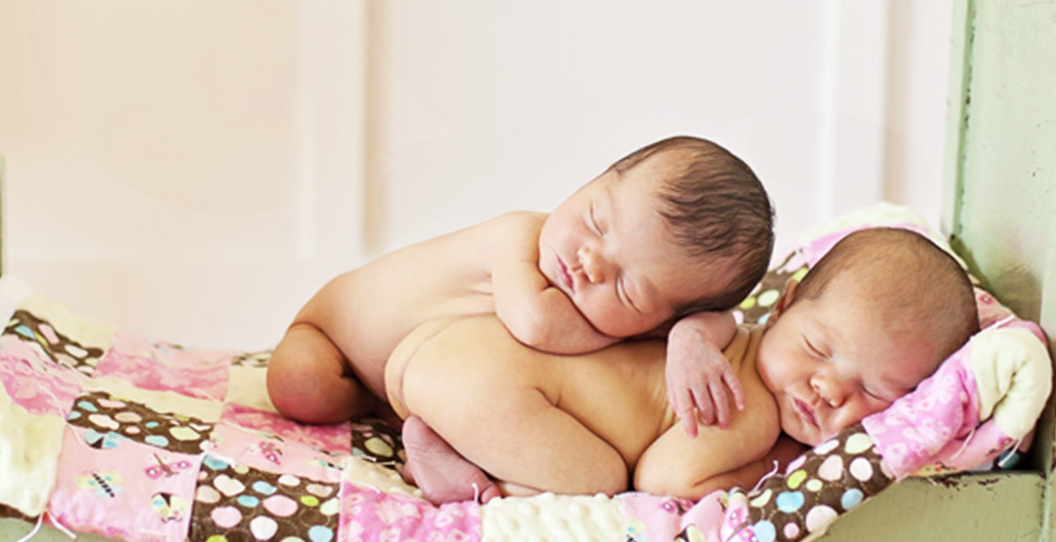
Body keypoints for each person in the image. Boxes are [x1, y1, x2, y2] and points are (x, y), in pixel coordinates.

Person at [390, 227, 979, 503]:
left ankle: (445, 435)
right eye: (819, 350)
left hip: (448, 349)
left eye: (875, 391)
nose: (827, 388)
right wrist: (774, 467)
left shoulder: (727, 332)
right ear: (785, 303)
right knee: (597, 480)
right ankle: (464, 473)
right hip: (492, 386)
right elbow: (666, 479)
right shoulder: (745, 409)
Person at [265, 137, 775, 436]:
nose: (591, 262)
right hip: (335, 340)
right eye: (596, 221)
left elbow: (730, 319)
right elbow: (533, 324)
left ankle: (405, 415)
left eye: (628, 290)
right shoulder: (517, 236)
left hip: (426, 372)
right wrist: (629, 328)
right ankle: (372, 408)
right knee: (301, 387)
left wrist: (690, 338)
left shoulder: (635, 311)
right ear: (591, 181)